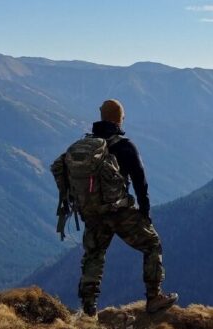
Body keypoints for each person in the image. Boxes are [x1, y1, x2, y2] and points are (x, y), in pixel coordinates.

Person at [51, 99, 178, 316]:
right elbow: (140, 180)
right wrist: (145, 212)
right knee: (152, 244)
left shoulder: (86, 146)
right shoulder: (124, 145)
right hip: (119, 211)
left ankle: (88, 308)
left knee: (94, 255)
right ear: (119, 118)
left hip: (92, 213)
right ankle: (154, 297)